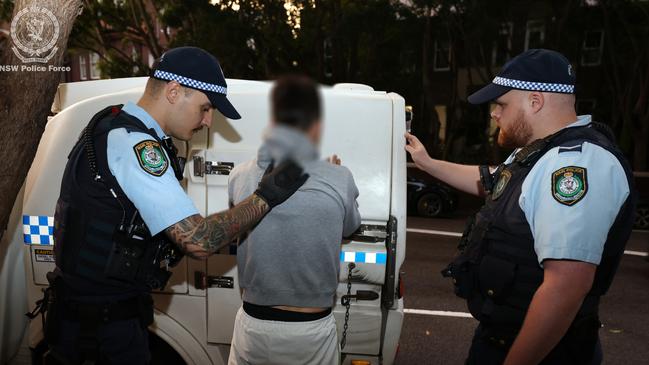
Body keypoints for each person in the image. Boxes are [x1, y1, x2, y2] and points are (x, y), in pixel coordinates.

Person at [45, 46, 308, 365]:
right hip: (100, 334)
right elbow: (198, 240)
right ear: (173, 92)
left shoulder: (115, 126)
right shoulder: (135, 145)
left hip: (92, 320)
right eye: (206, 107)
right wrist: (265, 197)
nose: (209, 121)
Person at [405, 49, 636, 364]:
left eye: (501, 104)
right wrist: (427, 163)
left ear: (535, 101)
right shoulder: (536, 154)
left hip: (545, 352)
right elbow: (494, 181)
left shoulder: (574, 165)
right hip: (500, 337)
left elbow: (566, 286)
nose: (494, 113)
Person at [227, 75, 361, 365]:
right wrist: (335, 174)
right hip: (309, 330)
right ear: (315, 127)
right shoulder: (340, 177)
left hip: (254, 324)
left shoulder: (239, 175)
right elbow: (350, 227)